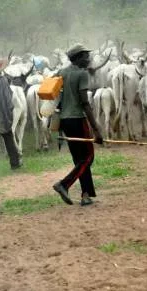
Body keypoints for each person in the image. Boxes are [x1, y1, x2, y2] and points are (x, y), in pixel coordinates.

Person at [52, 44, 104, 206]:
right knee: (88, 157)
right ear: (78, 57)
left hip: (65, 121)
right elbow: (85, 103)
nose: (88, 59)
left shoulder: (61, 72)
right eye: (86, 56)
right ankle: (64, 184)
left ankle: (85, 195)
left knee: (79, 159)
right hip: (77, 119)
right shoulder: (82, 74)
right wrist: (96, 129)